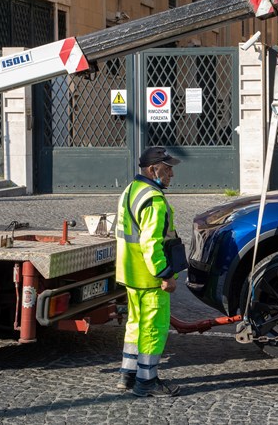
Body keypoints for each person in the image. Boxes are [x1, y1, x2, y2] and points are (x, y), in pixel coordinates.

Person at [115, 146, 182, 397]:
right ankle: (147, 381)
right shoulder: (153, 199)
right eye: (167, 169)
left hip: (131, 273)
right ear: (153, 169)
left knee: (135, 324)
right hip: (150, 277)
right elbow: (151, 244)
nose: (171, 175)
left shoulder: (130, 190)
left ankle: (127, 374)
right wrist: (165, 274)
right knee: (154, 328)